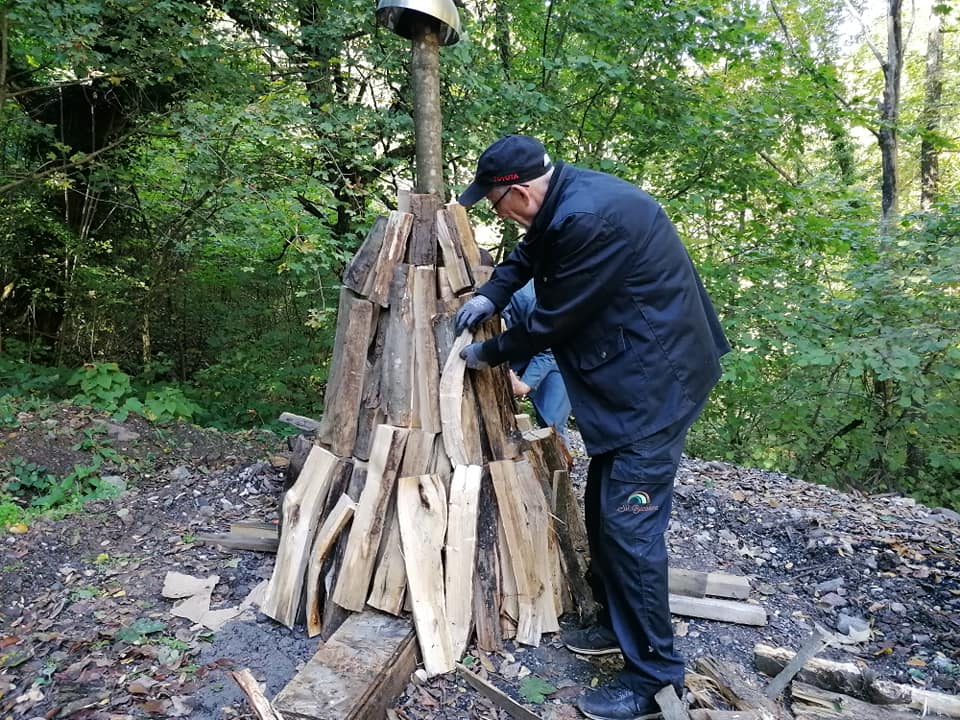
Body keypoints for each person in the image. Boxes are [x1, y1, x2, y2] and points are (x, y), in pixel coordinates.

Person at [454, 135, 730, 720]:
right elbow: (528, 256)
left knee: (629, 531)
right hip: (634, 382)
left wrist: (493, 351)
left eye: (496, 204)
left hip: (656, 387)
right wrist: (490, 295)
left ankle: (656, 679)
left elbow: (558, 316)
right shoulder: (564, 201)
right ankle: (615, 622)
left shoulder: (589, 220)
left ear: (520, 190)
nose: (497, 214)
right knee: (604, 513)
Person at [503, 280, 572, 446]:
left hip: (556, 355)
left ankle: (560, 468)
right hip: (521, 351)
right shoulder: (485, 298)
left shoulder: (533, 298)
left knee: (552, 425)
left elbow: (550, 347)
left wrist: (525, 384)